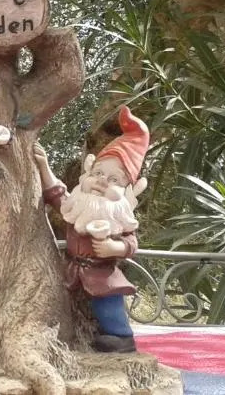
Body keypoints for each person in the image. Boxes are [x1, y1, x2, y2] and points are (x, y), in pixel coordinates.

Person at [33, 105, 150, 353]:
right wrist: (43, 167)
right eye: (98, 173)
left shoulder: (117, 216)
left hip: (101, 273)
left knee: (108, 303)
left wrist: (114, 247)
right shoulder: (77, 206)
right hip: (70, 271)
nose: (102, 181)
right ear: (87, 173)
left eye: (114, 179)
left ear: (129, 192)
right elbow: (57, 194)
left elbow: (131, 243)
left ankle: (121, 337)